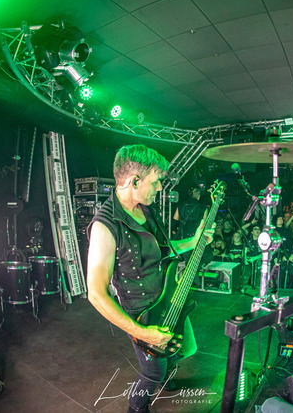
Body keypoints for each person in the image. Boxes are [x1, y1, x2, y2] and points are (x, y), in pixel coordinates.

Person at [86, 144, 214, 413]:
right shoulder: (104, 227)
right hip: (143, 313)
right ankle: (137, 406)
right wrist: (142, 333)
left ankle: (165, 375)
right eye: (155, 182)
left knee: (181, 348)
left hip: (167, 296)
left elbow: (160, 250)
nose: (159, 188)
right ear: (135, 181)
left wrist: (193, 241)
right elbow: (96, 294)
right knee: (151, 372)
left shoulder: (146, 209)